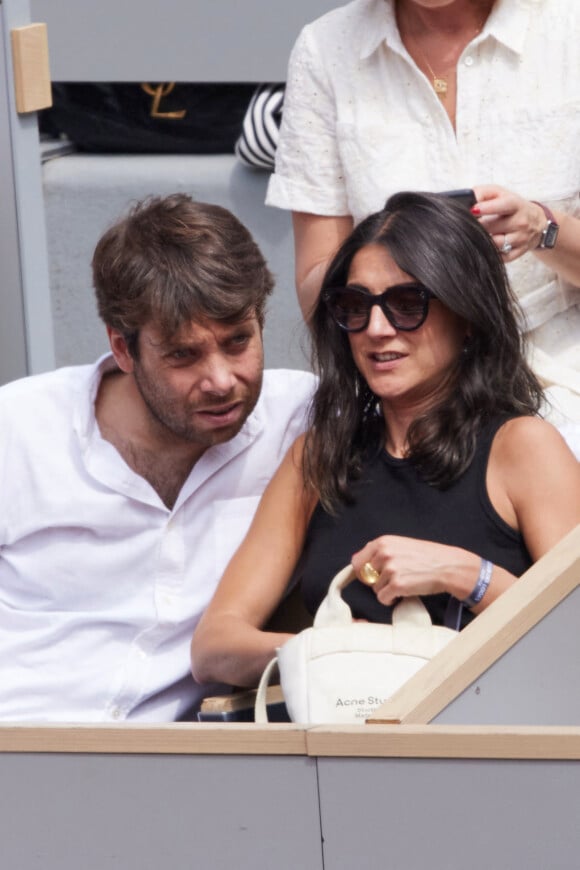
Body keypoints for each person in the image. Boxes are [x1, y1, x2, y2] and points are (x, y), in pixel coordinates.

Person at [191, 192, 580, 690]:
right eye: (355, 306)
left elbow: (571, 636)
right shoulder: (319, 456)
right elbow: (214, 646)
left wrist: (466, 575)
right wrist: (330, 651)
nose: (376, 329)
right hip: (338, 747)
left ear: (465, 314)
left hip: (485, 746)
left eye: (406, 304)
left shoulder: (521, 447)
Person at [0, 193, 315, 722]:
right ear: (123, 349)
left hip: (164, 770)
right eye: (183, 355)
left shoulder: (301, 419)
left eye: (238, 341)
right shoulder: (20, 428)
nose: (220, 380)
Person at [265, 0, 580, 435]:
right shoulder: (327, 49)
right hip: (404, 399)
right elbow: (316, 286)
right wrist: (392, 269)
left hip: (565, 382)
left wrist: (542, 229)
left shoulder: (569, 31)